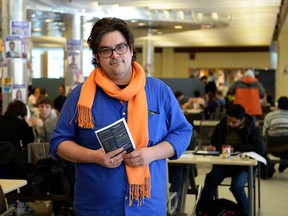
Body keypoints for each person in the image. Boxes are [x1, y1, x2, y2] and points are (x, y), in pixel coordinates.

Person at [49, 17, 192, 216]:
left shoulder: (158, 90)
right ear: (97, 57)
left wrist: (152, 153)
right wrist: (94, 157)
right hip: (96, 207)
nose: (115, 55)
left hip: (147, 207)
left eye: (121, 47)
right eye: (106, 50)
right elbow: (59, 142)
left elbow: (182, 132)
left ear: (131, 50)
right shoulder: (80, 96)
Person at [196, 104, 265, 216]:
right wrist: (212, 147)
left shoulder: (252, 128)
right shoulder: (221, 126)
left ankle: (247, 213)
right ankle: (202, 211)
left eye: (233, 122)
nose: (229, 124)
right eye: (228, 120)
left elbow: (259, 148)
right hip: (224, 164)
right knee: (210, 179)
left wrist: (236, 149)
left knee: (236, 187)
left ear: (242, 120)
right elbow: (214, 142)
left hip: (244, 166)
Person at [262, 96, 288, 172]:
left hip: (272, 147)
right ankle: (284, 162)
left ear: (277, 105)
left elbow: (264, 133)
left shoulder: (269, 115)